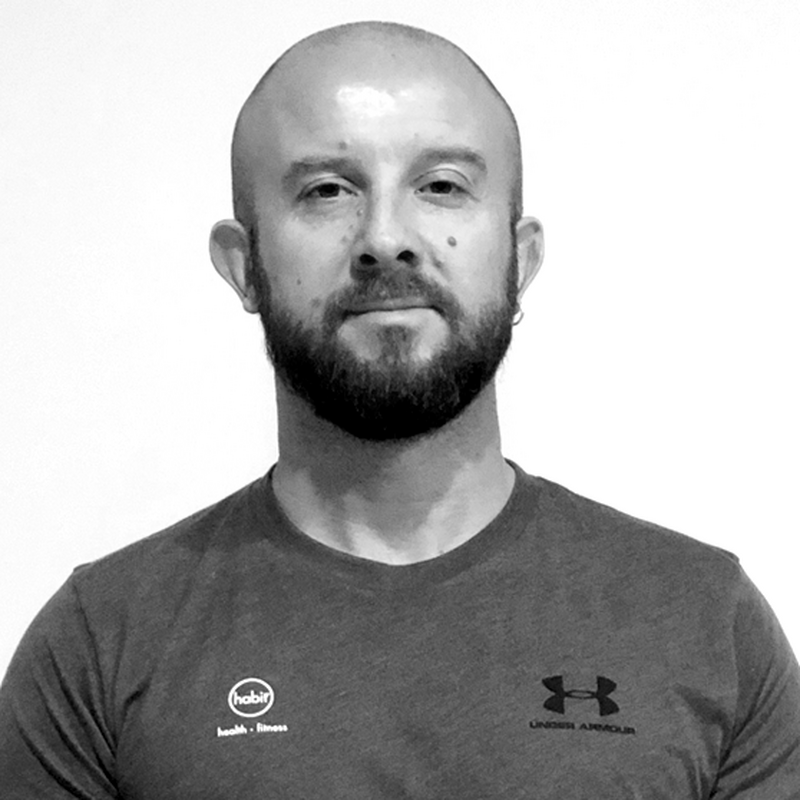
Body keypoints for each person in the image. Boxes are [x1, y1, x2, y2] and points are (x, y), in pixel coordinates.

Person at [1, 20, 798, 799]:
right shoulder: (99, 644)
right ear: (244, 266)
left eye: (442, 186)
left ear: (519, 259)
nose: (385, 238)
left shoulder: (704, 622)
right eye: (326, 191)